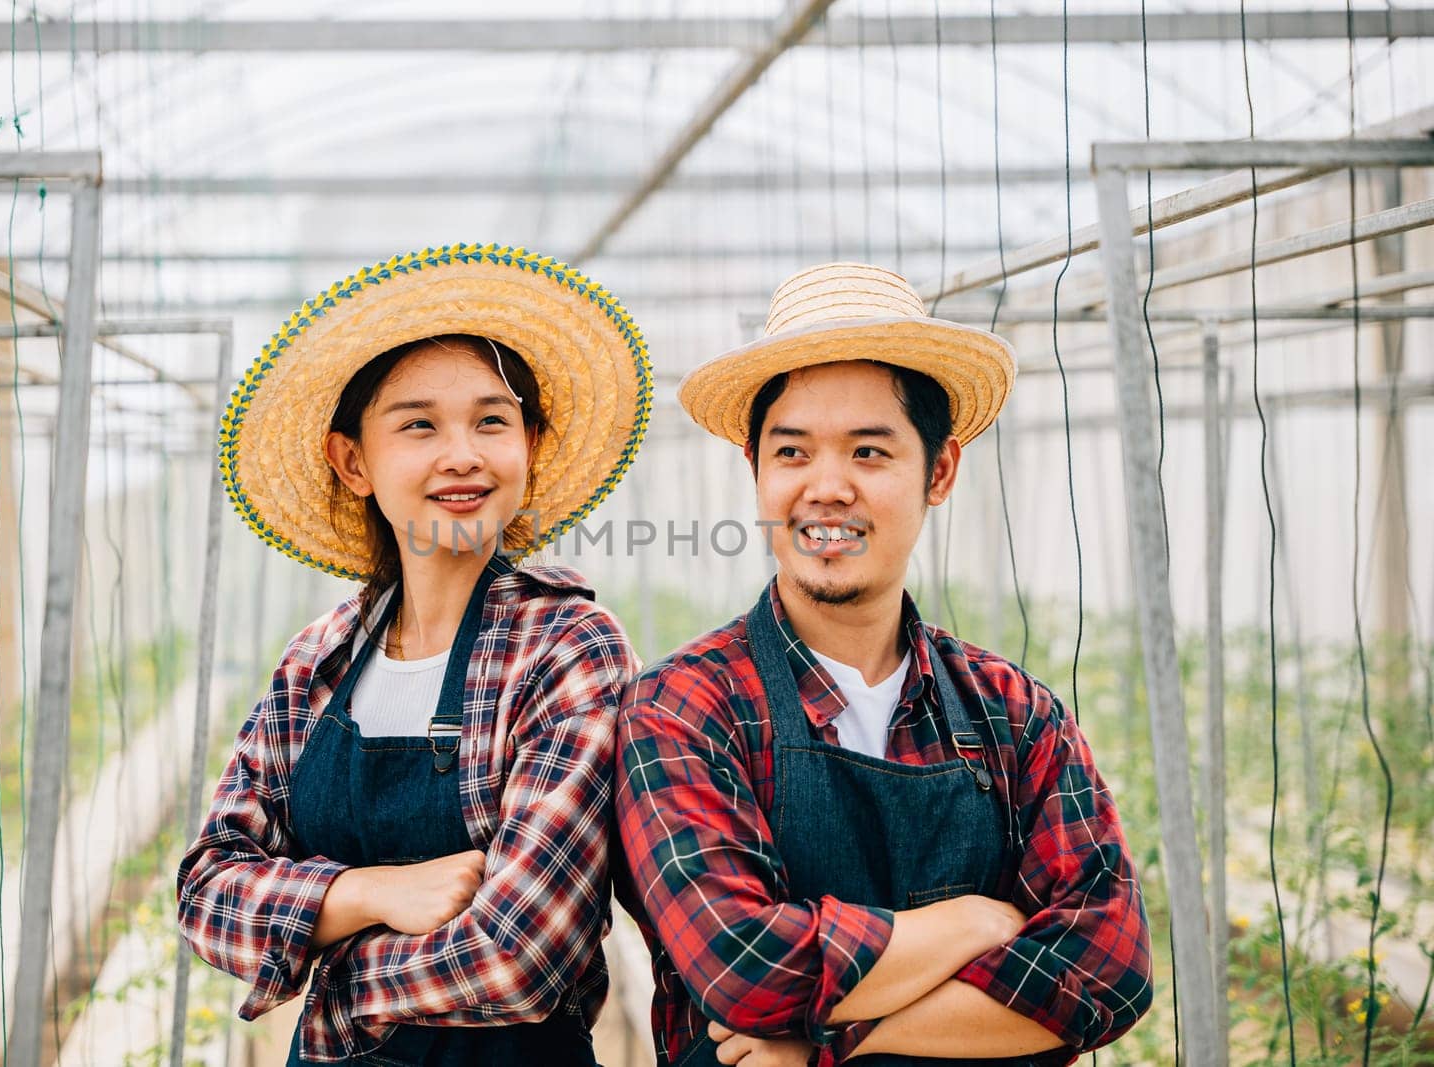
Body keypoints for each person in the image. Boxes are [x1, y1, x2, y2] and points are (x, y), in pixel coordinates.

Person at [614, 262, 1152, 1066]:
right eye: (792, 452)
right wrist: (969, 922)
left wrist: (835, 1044)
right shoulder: (683, 708)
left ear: (939, 470)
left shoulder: (1013, 712)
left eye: (870, 451)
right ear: (758, 472)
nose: (826, 487)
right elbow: (742, 969)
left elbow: (1109, 968)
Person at [178, 245, 652, 1065]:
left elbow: (517, 955)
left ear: (530, 448)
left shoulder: (568, 649)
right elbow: (206, 890)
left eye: (492, 421)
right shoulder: (319, 661)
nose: (461, 454)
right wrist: (367, 891)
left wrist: (330, 969)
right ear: (353, 461)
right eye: (419, 424)